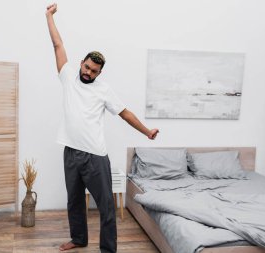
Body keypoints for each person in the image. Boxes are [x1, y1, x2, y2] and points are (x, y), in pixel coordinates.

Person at [45, 3, 159, 253]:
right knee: (74, 201)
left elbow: (125, 114)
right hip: (71, 152)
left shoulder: (103, 90)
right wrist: (49, 16)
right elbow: (58, 45)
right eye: (86, 67)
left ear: (99, 72)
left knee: (106, 205)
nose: (88, 73)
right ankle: (79, 239)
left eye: (93, 71)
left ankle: (108, 249)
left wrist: (147, 131)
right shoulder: (68, 76)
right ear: (81, 63)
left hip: (95, 156)